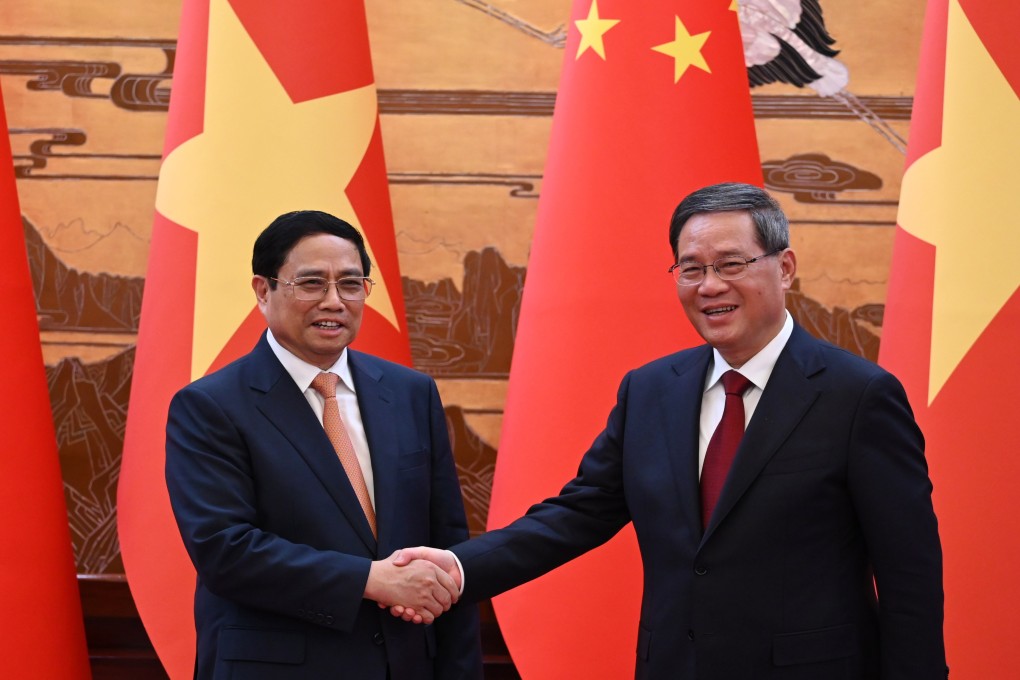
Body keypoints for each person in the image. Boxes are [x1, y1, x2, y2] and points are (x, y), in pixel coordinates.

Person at [394, 183, 947, 679]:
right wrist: (461, 567)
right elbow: (580, 513)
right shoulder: (652, 390)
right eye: (691, 268)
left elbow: (909, 574)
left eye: (731, 264)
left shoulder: (858, 395)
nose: (709, 286)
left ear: (784, 268)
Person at [165, 210, 482, 680]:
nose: (334, 301)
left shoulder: (411, 393)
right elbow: (225, 551)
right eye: (311, 283)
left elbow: (447, 546)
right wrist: (372, 581)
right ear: (263, 290)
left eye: (351, 285)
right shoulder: (210, 406)